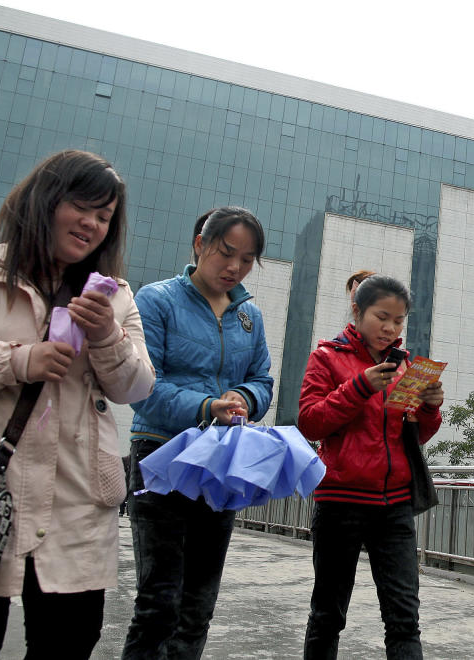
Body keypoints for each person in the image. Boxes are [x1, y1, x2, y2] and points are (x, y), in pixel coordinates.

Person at [0, 149, 155, 659]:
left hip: (75, 500)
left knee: (68, 642)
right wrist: (17, 361)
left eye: (105, 217)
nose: (92, 224)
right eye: (82, 206)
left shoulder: (115, 295)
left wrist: (106, 334)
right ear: (44, 199)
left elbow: (137, 386)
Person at [123, 206, 274, 659]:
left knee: (198, 605)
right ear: (199, 244)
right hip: (161, 455)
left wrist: (246, 399)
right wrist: (208, 406)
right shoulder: (157, 300)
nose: (234, 267)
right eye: (226, 253)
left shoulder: (250, 316)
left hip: (220, 462)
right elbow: (143, 386)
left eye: (247, 260)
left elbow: (263, 380)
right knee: (159, 601)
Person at [298, 274, 445, 660]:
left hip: (394, 505)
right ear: (357, 311)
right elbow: (311, 422)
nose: (390, 328)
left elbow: (415, 435)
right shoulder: (327, 356)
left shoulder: (406, 366)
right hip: (339, 502)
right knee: (328, 614)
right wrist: (360, 387)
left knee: (403, 618)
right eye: (383, 317)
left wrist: (429, 405)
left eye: (398, 321)